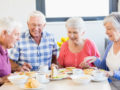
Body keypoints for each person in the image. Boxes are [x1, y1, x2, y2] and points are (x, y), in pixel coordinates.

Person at [82, 12, 120, 90]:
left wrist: (113, 73)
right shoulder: (110, 44)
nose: (106, 32)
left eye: (109, 29)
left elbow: (109, 72)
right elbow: (104, 67)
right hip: (108, 84)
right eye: (106, 29)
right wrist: (95, 59)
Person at [0, 17, 21, 84]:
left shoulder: (4, 50)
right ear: (4, 33)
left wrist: (17, 69)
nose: (18, 39)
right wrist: (2, 80)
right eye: (16, 34)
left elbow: (3, 71)